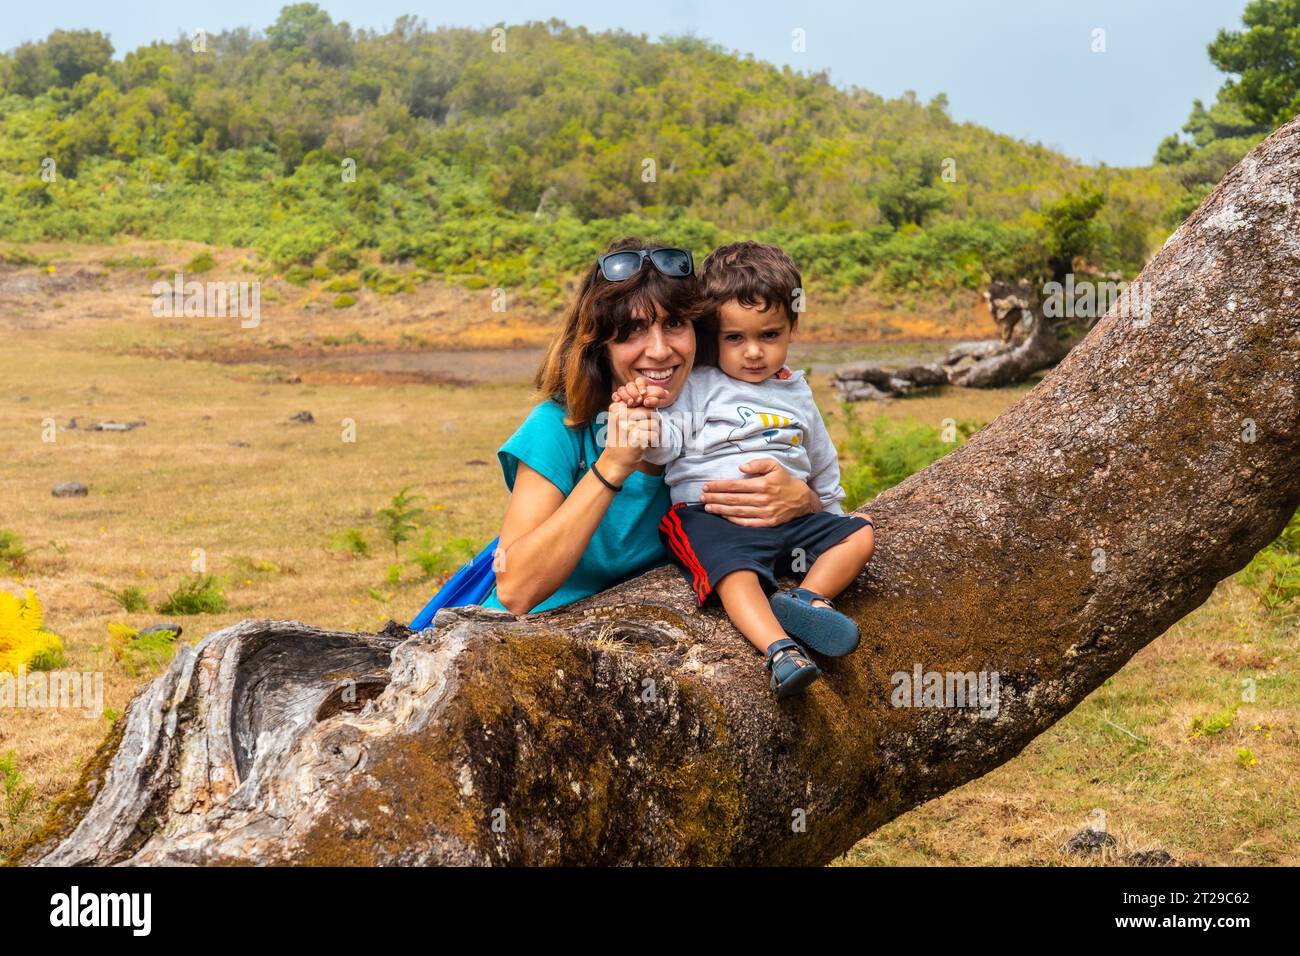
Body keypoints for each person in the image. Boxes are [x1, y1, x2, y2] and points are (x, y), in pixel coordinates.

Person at [480, 236, 827, 617]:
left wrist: (805, 501)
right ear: (600, 346)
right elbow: (514, 590)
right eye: (632, 331)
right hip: (523, 641)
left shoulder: (723, 416)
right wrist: (613, 464)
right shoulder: (558, 426)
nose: (660, 350)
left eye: (675, 324)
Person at [612, 241, 875, 698]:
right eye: (736, 338)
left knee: (861, 533)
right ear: (714, 336)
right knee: (735, 572)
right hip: (709, 515)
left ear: (792, 329)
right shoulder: (699, 385)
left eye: (768, 336)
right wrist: (646, 421)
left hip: (791, 518)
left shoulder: (796, 390)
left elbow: (820, 456)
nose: (753, 352)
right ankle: (779, 650)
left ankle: (806, 599)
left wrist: (829, 509)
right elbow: (664, 451)